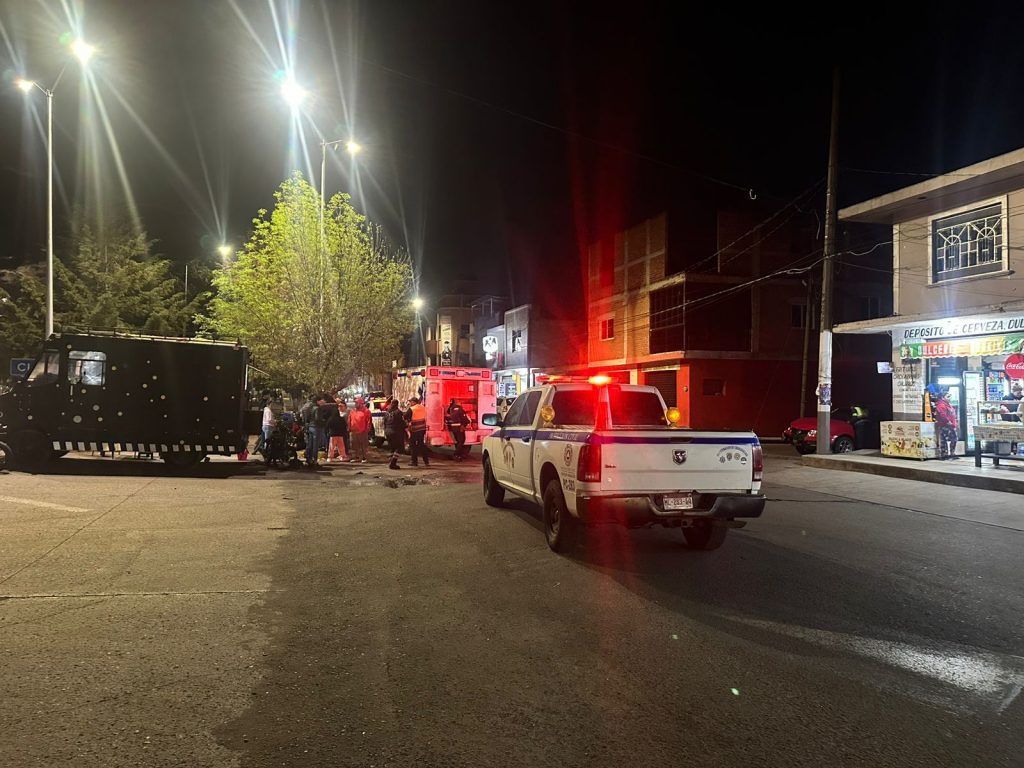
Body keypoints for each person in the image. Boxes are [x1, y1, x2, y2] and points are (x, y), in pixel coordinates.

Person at [934, 386, 959, 459]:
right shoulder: (941, 405)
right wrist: (948, 422)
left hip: (950, 425)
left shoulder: (948, 405)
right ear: (943, 398)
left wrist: (955, 423)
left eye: (950, 396)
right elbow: (943, 415)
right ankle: (946, 454)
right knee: (949, 439)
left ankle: (947, 453)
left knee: (948, 439)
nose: (949, 398)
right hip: (946, 425)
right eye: (948, 397)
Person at [406, 396, 430, 467]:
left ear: (413, 402)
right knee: (421, 444)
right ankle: (426, 462)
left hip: (414, 429)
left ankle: (414, 462)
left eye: (410, 402)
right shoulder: (423, 407)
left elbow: (405, 416)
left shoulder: (412, 409)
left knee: (412, 445)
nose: (410, 403)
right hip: (422, 429)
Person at [348, 398, 372, 463]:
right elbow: (349, 420)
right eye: (355, 403)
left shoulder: (366, 411)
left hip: (363, 431)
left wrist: (367, 430)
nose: (355, 404)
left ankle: (364, 458)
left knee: (363, 445)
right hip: (353, 431)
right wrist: (349, 428)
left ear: (361, 404)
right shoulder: (352, 411)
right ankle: (357, 457)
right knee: (354, 445)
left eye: (357, 403)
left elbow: (369, 421)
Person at [384, 399, 407, 470]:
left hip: (387, 431)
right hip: (396, 432)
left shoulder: (387, 412)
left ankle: (391, 462)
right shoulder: (398, 412)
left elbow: (384, 422)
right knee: (399, 448)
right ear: (397, 404)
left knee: (392, 448)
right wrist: (406, 427)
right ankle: (393, 463)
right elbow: (402, 423)